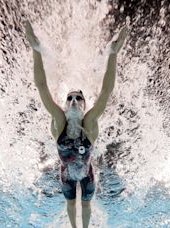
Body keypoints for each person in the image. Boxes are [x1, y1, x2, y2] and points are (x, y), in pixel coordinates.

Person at [24, 20, 127, 228]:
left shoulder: (90, 123)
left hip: (87, 174)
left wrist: (113, 54)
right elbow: (42, 87)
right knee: (71, 204)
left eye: (78, 99)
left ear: (84, 105)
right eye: (69, 98)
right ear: (64, 103)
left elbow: (106, 92)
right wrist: (36, 50)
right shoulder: (59, 121)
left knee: (86, 206)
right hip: (66, 176)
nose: (73, 101)